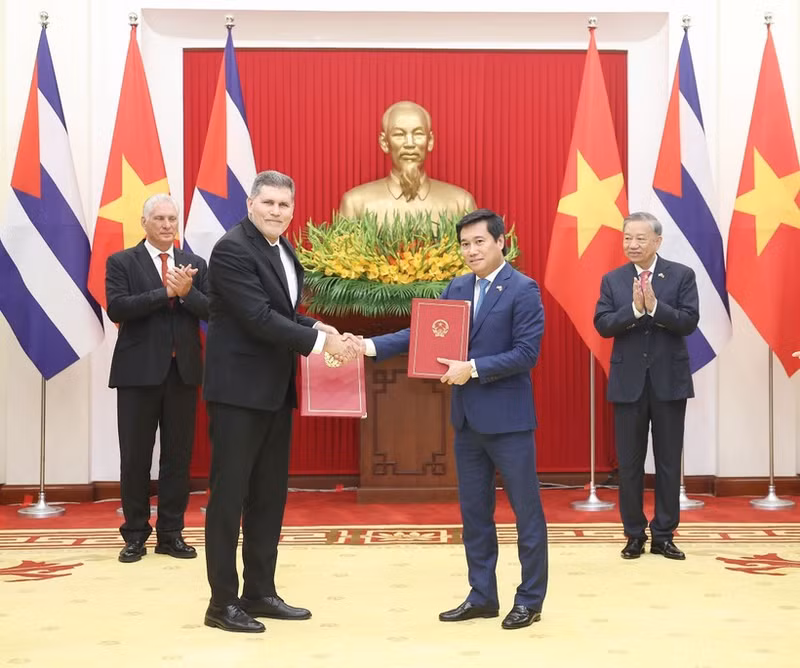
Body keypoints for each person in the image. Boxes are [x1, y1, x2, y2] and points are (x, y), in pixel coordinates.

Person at [360, 208, 547, 630]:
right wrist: (369, 346)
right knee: (474, 514)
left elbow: (526, 353)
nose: (471, 251)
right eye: (464, 244)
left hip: (510, 422)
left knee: (526, 514)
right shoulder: (458, 286)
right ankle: (482, 595)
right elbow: (425, 334)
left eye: (479, 241)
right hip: (467, 422)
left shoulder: (523, 289)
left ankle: (530, 599)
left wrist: (473, 368)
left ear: (501, 241)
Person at [202, 170, 359, 633]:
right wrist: (318, 342)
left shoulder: (281, 248)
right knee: (229, 498)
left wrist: (317, 325)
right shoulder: (232, 248)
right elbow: (256, 317)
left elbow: (282, 312)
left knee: (269, 496)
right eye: (267, 203)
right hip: (237, 395)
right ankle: (221, 603)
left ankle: (260, 592)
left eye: (284, 205)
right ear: (250, 203)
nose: (276, 211)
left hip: (273, 391)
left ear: (293, 210)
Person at [106, 194, 209, 563]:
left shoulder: (194, 263)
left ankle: (171, 533)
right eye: (160, 218)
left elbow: (211, 309)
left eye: (172, 218)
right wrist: (165, 292)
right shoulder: (122, 261)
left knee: (177, 457)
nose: (167, 225)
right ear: (144, 222)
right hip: (137, 375)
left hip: (182, 373)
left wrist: (186, 294)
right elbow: (118, 307)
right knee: (135, 458)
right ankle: (135, 534)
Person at [594, 211, 699, 561]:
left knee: (668, 462)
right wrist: (636, 311)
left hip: (670, 382)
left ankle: (664, 534)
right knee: (630, 463)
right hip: (628, 385)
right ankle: (634, 534)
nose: (632, 244)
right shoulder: (612, 280)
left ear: (657, 241)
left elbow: (688, 323)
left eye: (640, 238)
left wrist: (655, 307)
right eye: (627, 238)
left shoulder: (682, 275)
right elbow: (604, 325)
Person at [338, 100, 476, 222]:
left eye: (418, 134)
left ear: (430, 141)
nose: (410, 143)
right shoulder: (355, 204)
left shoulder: (461, 203)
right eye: (399, 134)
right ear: (384, 142)